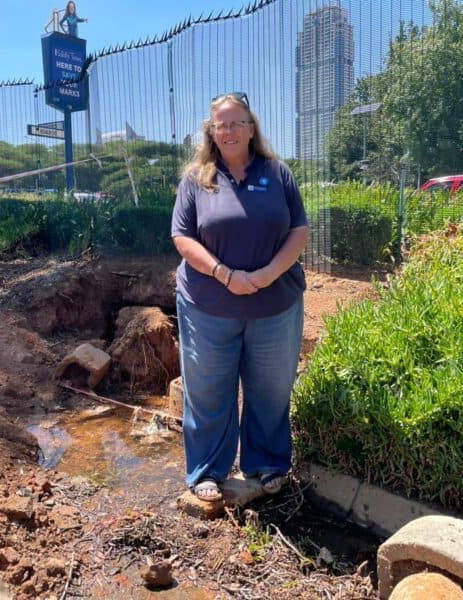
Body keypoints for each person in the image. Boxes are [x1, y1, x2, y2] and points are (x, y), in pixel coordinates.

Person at [171, 92, 309, 502]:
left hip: (275, 305)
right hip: (208, 305)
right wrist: (224, 274)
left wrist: (268, 273)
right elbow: (182, 236)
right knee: (209, 389)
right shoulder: (196, 180)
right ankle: (207, 470)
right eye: (221, 124)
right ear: (211, 131)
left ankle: (266, 464)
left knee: (270, 389)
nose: (228, 131)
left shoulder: (278, 173)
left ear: (251, 129)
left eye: (237, 123)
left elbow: (298, 230)